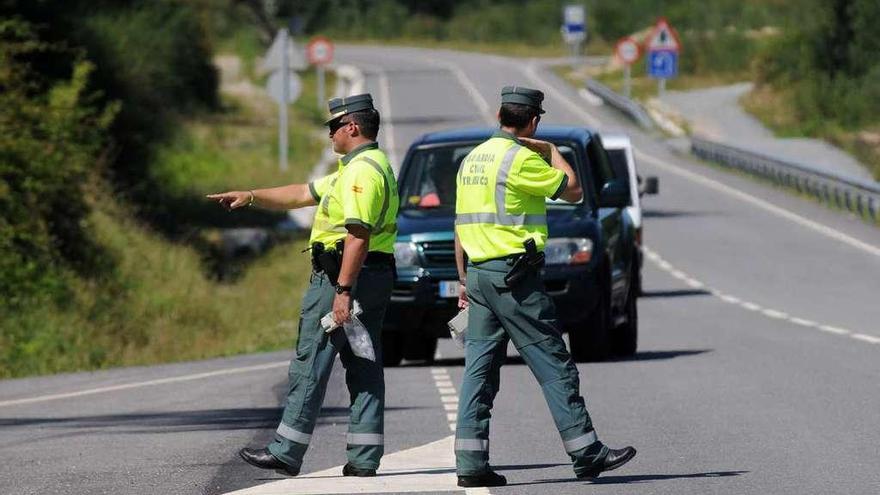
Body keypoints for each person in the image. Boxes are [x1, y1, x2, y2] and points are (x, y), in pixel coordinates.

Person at [452, 86, 636, 487]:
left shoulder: (472, 160)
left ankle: (469, 464)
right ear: (533, 120)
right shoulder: (519, 160)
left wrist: (463, 278)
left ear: (501, 114)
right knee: (554, 363)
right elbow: (574, 190)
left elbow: (460, 225)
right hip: (514, 279)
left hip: (480, 276)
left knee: (479, 372)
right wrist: (552, 152)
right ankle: (587, 452)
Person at [207, 93, 399, 477]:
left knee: (311, 362)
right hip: (373, 275)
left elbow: (357, 234)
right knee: (364, 363)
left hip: (342, 278)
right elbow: (302, 193)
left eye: (333, 127)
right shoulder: (363, 166)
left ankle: (286, 450)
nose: (330, 135)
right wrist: (250, 197)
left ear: (352, 127)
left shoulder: (360, 173)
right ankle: (364, 457)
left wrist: (343, 292)